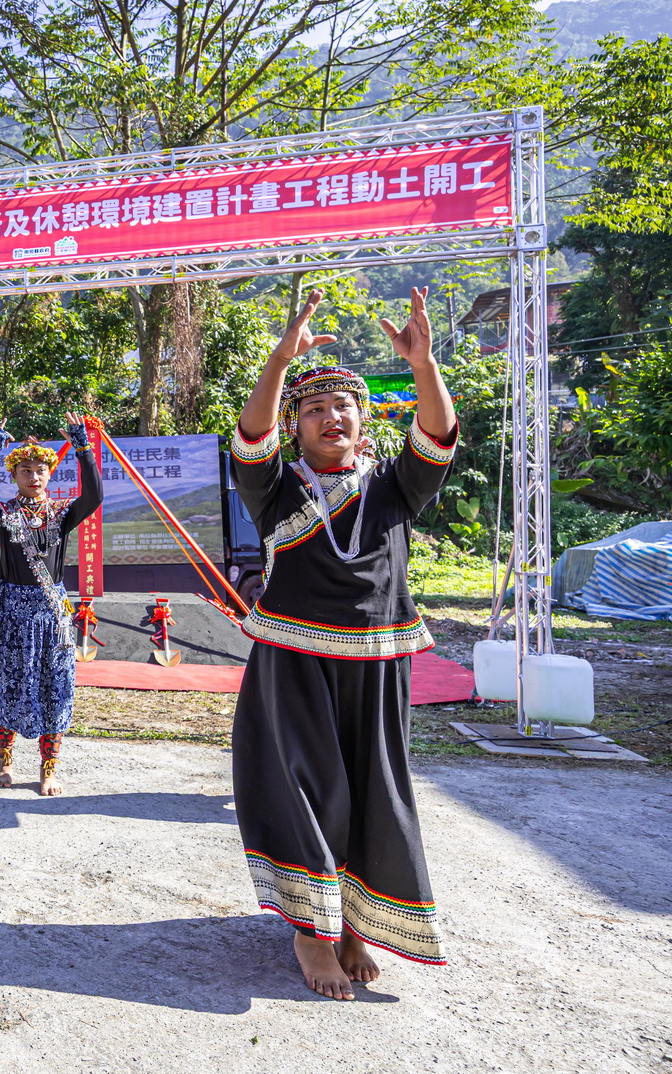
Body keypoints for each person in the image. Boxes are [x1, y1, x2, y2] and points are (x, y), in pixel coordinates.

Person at [230, 287, 458, 1000]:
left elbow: (440, 434)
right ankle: (310, 931)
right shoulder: (276, 491)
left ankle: (352, 923)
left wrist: (423, 366)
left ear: (366, 426)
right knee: (309, 791)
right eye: (314, 408)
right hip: (293, 664)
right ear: (297, 426)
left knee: (370, 793)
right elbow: (249, 435)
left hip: (378, 662)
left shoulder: (394, 488)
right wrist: (279, 361)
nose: (331, 416)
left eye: (344, 408)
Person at [0, 415, 103, 796]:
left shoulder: (61, 515)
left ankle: (49, 770)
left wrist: (82, 446)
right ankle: (4, 764)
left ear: (49, 476)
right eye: (25, 471)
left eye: (40, 471)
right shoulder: (5, 515)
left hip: (52, 614)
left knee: (54, 686)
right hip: (13, 612)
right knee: (7, 686)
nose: (33, 477)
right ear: (14, 476)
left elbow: (94, 496)